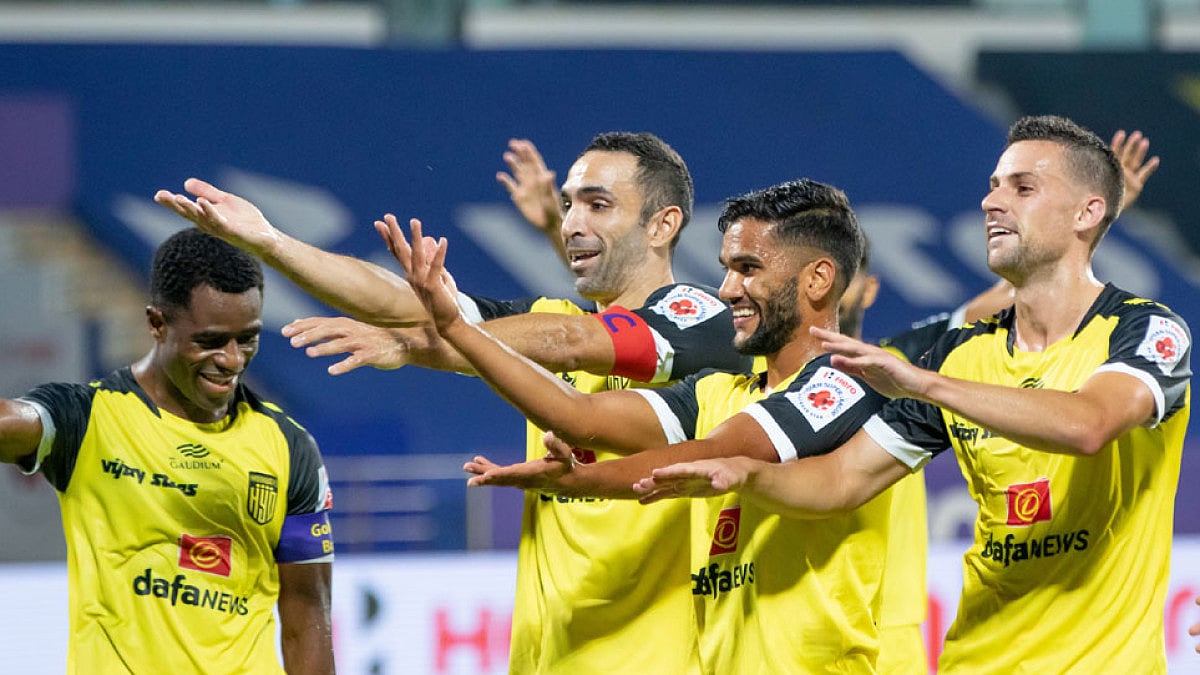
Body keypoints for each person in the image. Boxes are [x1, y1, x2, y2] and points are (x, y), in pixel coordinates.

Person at [157, 132, 750, 673]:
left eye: (598, 204)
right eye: (568, 204)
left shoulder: (699, 317)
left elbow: (570, 345)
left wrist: (411, 344)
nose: (571, 223)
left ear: (662, 224)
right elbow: (399, 302)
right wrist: (269, 240)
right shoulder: (549, 320)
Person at [635, 115, 1190, 672]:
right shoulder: (961, 353)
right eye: (994, 185)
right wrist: (752, 475)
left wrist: (925, 383)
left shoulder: (1147, 332)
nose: (992, 202)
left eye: (1022, 187)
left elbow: (1089, 424)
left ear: (1089, 212)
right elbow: (843, 479)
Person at [386, 178, 903, 672]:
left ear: (817, 278)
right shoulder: (717, 391)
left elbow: (718, 450)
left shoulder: (853, 382)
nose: (727, 290)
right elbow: (578, 416)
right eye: (726, 268)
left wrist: (585, 481)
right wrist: (455, 328)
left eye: (748, 268)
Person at [0, 228, 336, 673]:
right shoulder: (87, 418)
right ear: (157, 323)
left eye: (248, 338)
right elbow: (14, 422)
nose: (233, 359)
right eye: (211, 341)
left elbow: (307, 617)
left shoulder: (291, 449)